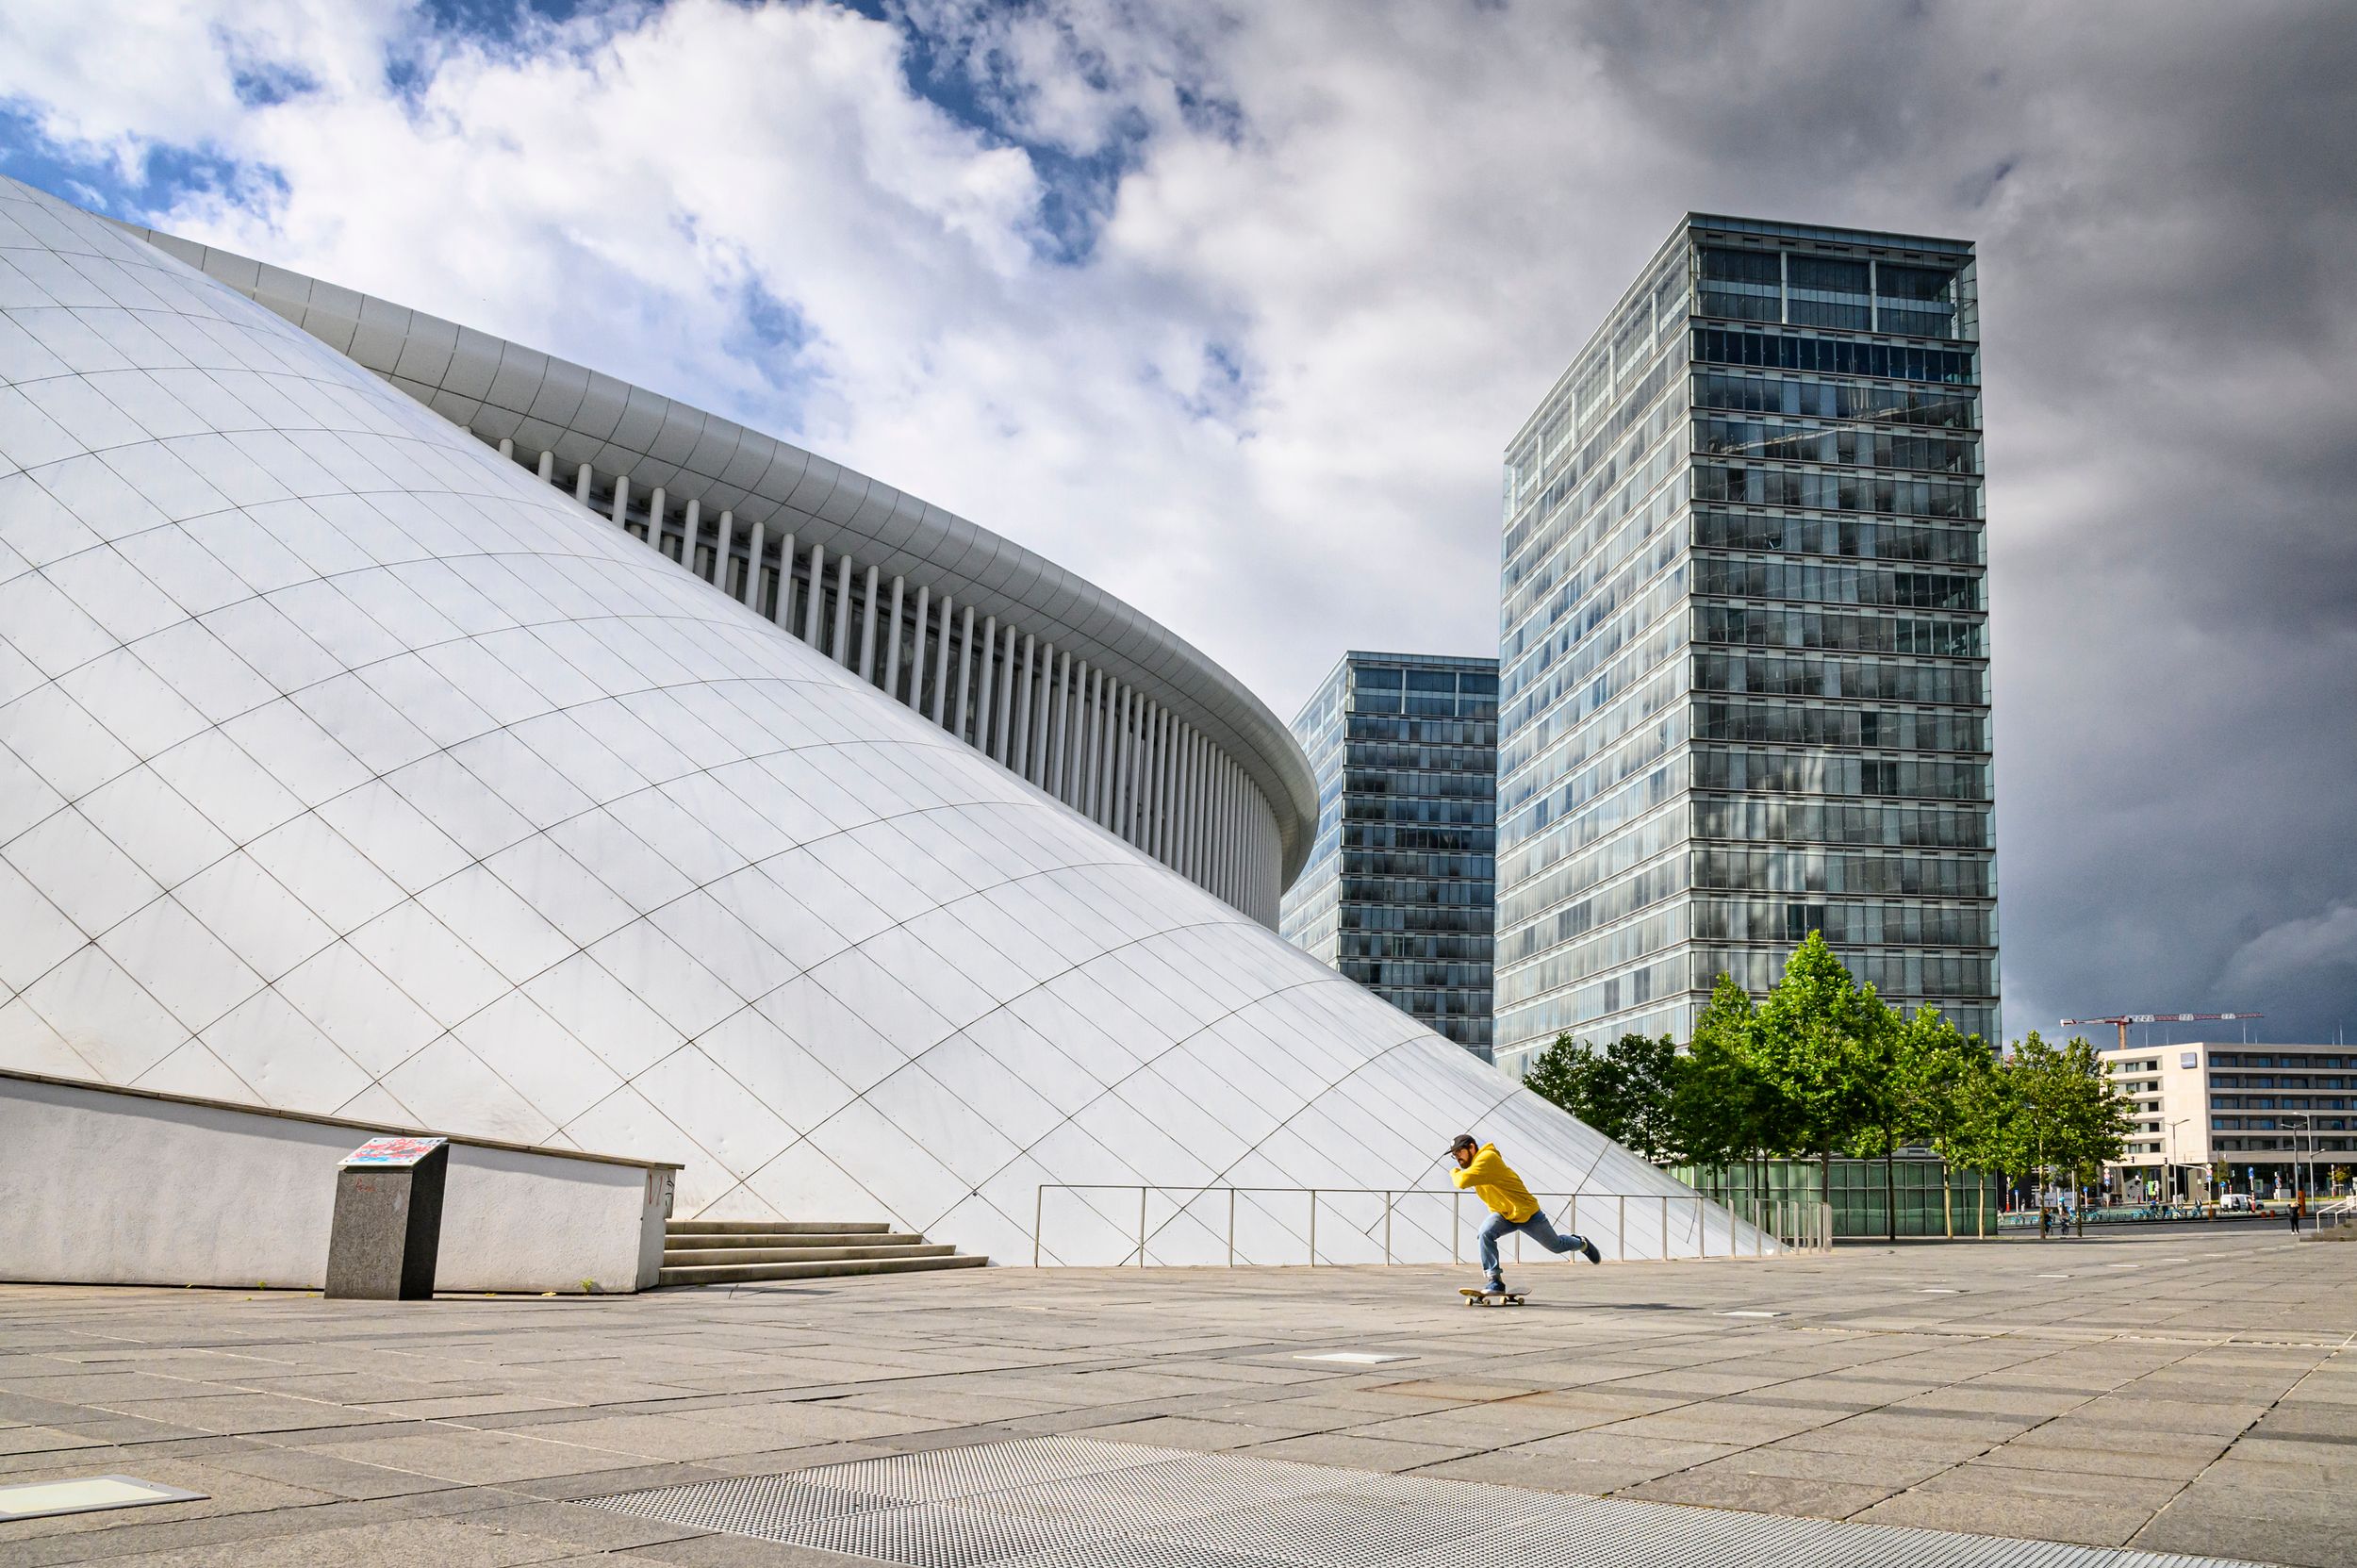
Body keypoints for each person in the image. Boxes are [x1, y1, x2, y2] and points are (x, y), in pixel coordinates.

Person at [1448, 1133, 1601, 1294]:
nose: (1457, 1157)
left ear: (1472, 1147)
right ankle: (1495, 1280)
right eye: (1454, 1155)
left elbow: (1461, 1182)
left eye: (1459, 1152)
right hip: (1505, 1214)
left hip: (1528, 1214)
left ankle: (1581, 1243)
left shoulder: (1487, 1158)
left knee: (1556, 1246)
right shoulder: (1475, 1166)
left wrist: (1454, 1172)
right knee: (1485, 1233)